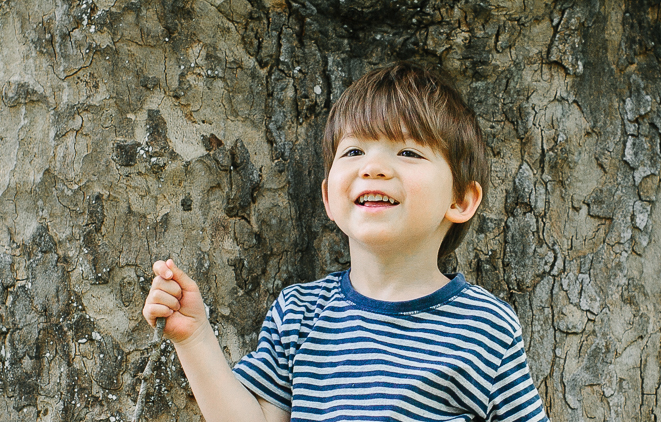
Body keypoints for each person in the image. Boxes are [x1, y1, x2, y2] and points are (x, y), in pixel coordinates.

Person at [142, 61, 548, 422]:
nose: (372, 167)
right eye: (353, 150)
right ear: (328, 199)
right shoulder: (300, 314)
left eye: (407, 152)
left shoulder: (485, 326)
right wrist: (194, 337)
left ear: (460, 199)